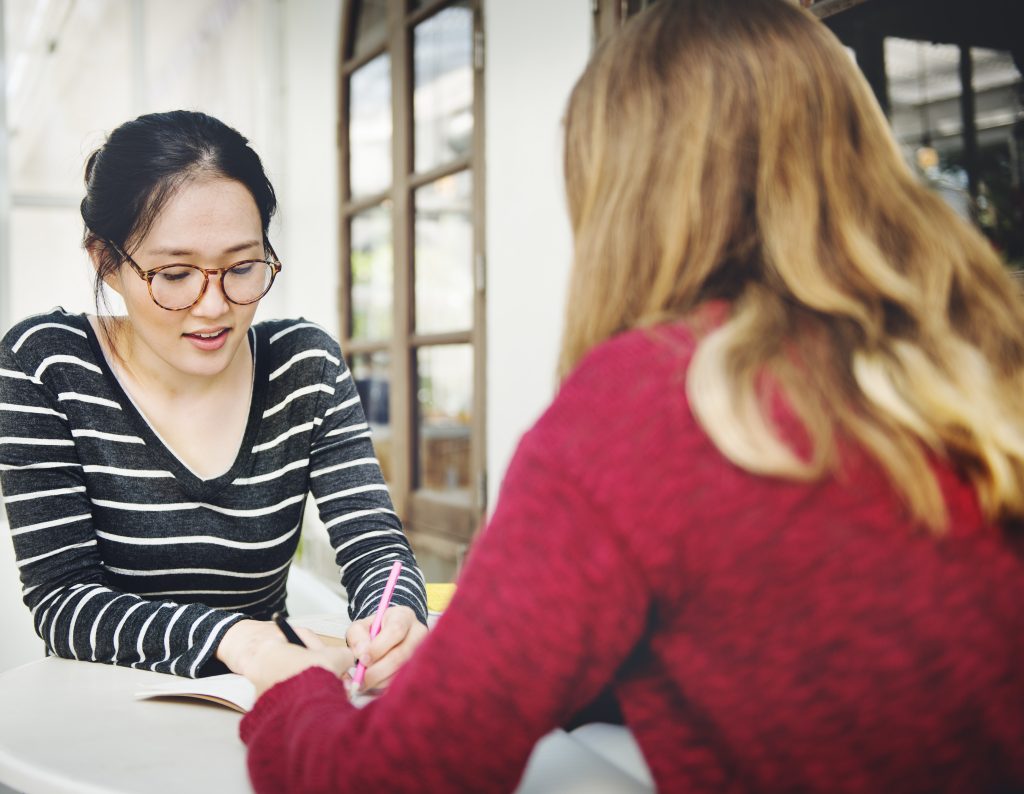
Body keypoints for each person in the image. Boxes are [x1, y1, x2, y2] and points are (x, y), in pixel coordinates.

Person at [239, 0, 1024, 790]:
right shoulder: (984, 363)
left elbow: (387, 778)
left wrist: (285, 680)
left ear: (621, 193)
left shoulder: (648, 404)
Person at [0, 110, 428, 684]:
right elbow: (64, 602)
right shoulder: (47, 365)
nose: (214, 305)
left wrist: (395, 615)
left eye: (243, 266)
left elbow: (374, 543)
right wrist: (236, 641)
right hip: (101, 713)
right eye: (175, 274)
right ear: (105, 261)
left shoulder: (305, 367)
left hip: (264, 700)